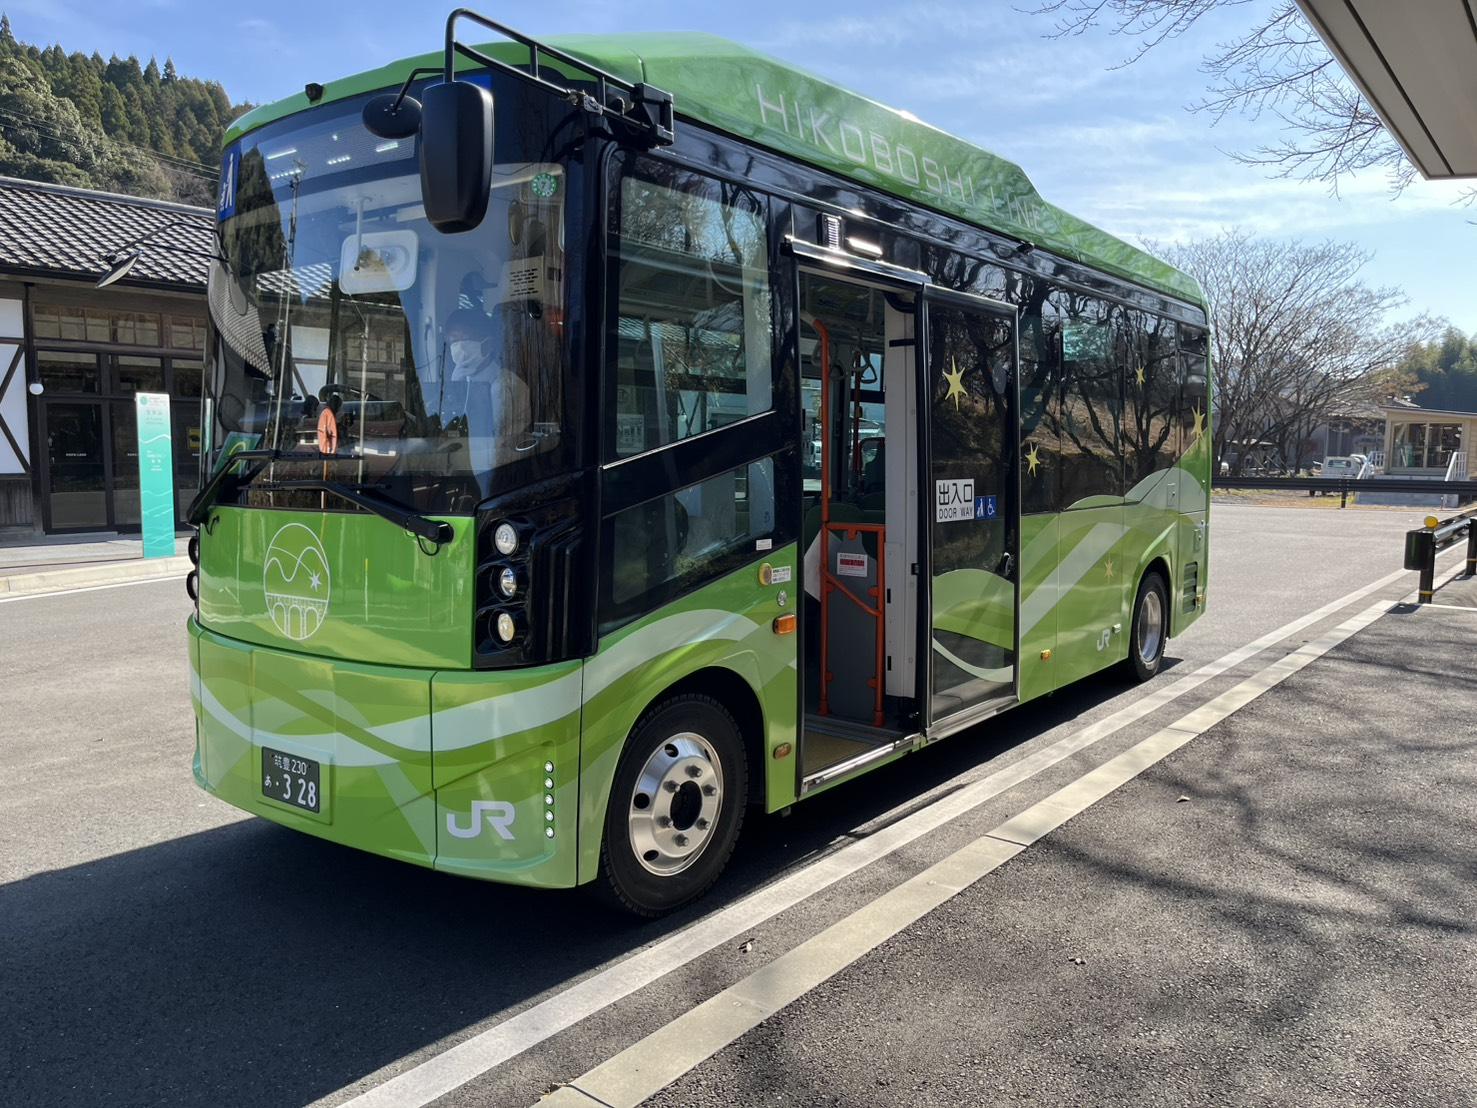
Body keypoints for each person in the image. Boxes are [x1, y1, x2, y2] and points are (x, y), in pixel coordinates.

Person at [441, 307, 533, 474]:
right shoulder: (459, 381)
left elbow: (498, 444)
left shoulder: (507, 386)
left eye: (466, 339)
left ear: (488, 343)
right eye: (454, 340)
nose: (459, 348)